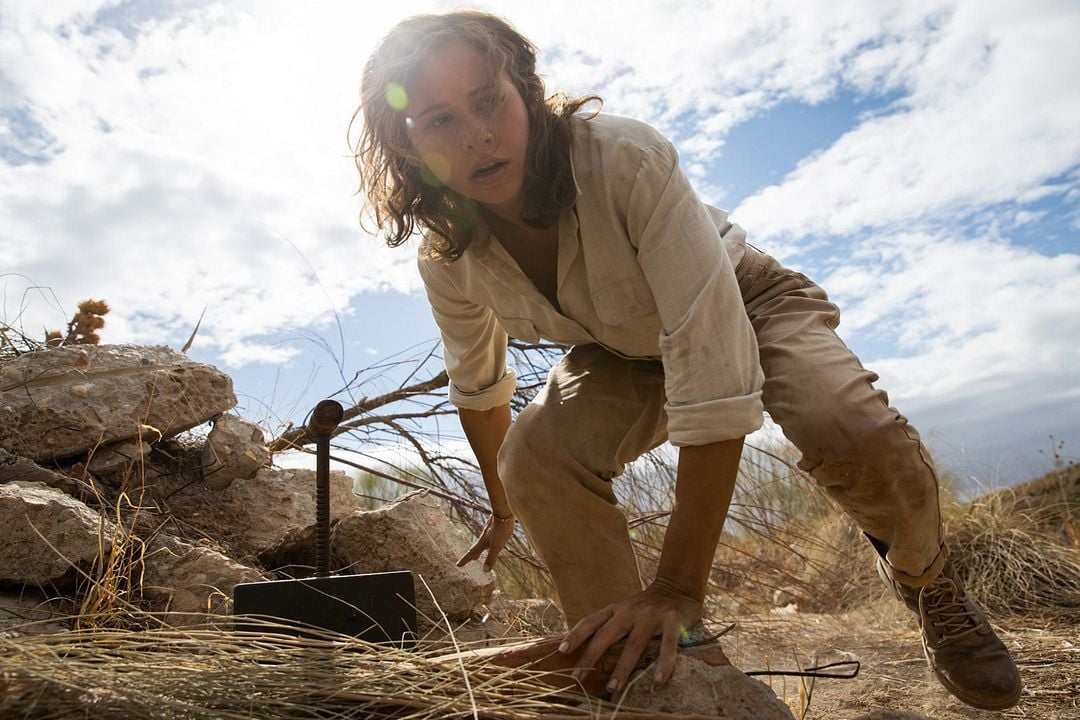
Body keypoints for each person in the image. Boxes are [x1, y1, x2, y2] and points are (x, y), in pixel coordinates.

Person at [353, 10, 1021, 710]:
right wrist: (502, 506)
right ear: (408, 143)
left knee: (847, 425)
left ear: (524, 90)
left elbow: (713, 369)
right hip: (622, 350)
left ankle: (927, 579)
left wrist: (678, 589)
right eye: (438, 121)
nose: (478, 136)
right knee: (535, 456)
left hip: (748, 300)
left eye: (488, 100)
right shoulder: (450, 256)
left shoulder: (624, 159)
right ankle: (662, 672)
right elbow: (480, 386)